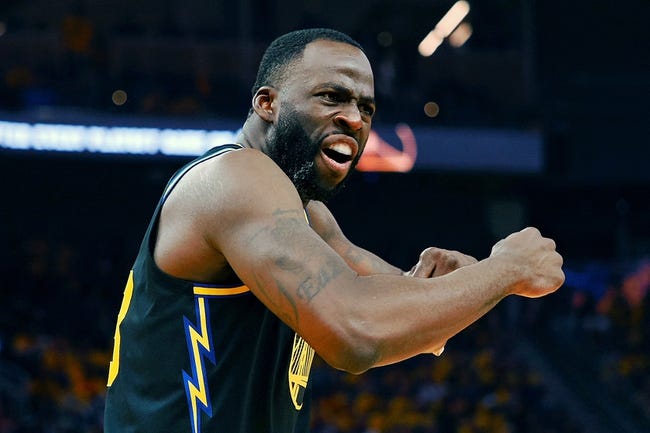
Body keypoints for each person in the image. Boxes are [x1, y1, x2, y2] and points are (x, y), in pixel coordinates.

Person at [104, 28, 564, 433]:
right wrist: (508, 269)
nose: (355, 118)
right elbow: (356, 331)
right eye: (332, 97)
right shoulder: (236, 178)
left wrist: (465, 278)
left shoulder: (311, 217)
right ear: (267, 103)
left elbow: (416, 326)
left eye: (366, 107)